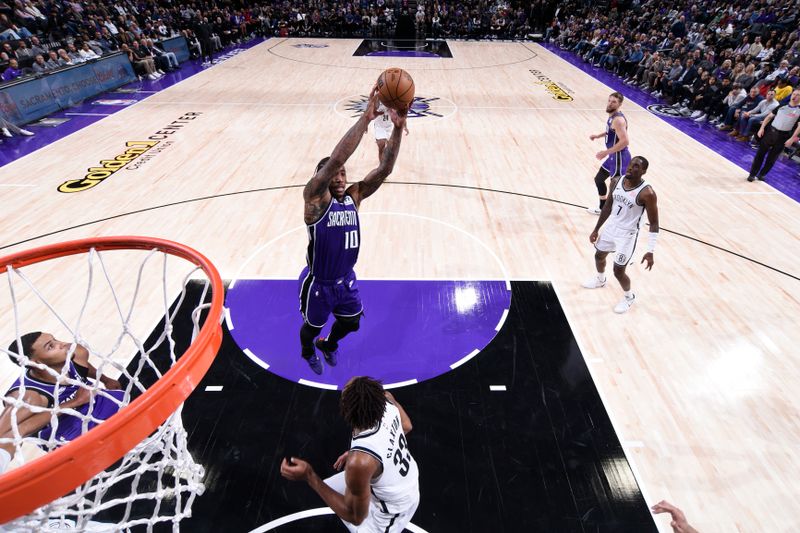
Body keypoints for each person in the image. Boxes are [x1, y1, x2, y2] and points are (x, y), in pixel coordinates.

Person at [298, 86, 408, 374]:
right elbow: (335, 159)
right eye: (333, 173)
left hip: (345, 279)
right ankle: (308, 349)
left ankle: (329, 344)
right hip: (320, 284)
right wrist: (365, 119)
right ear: (321, 178)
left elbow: (384, 170)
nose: (339, 176)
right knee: (311, 327)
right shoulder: (315, 199)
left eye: (343, 174)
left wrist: (396, 129)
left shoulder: (353, 197)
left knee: (352, 323)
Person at [281, 376, 419, 532]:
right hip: (405, 478)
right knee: (330, 487)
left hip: (394, 509)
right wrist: (371, 456)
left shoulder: (360, 461)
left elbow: (355, 517)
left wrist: (309, 475)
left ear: (347, 412)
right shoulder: (385, 398)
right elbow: (406, 426)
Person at [0, 332, 123, 473]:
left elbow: (84, 368)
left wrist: (105, 379)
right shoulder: (30, 397)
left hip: (94, 404)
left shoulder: (76, 352)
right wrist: (74, 402)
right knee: (103, 464)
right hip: (63, 430)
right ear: (37, 363)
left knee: (130, 407)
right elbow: (4, 433)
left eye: (56, 339)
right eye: (51, 346)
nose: (62, 344)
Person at [582, 156, 659, 314]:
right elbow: (608, 206)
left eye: (636, 166)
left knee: (618, 270)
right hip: (611, 227)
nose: (631, 168)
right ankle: (600, 279)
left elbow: (654, 223)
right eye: (631, 164)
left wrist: (650, 251)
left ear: (643, 171)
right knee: (599, 256)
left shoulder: (647, 193)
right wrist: (596, 229)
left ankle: (629, 297)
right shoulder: (616, 181)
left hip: (627, 235)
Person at [588, 92, 630, 215]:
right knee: (599, 179)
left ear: (620, 104)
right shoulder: (612, 116)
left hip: (619, 158)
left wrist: (605, 152)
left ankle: (623, 214)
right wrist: (598, 136)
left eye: (614, 102)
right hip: (613, 156)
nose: (610, 103)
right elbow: (610, 131)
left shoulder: (619, 120)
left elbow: (625, 141)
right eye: (609, 101)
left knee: (616, 189)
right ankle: (602, 208)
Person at [747, 88, 800, 182]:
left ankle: (762, 174)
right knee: (760, 154)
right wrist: (762, 128)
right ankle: (752, 174)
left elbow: (799, 127)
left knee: (772, 158)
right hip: (771, 132)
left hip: (784, 136)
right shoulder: (782, 105)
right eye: (794, 94)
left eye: (798, 95)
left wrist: (792, 139)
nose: (795, 96)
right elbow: (769, 117)